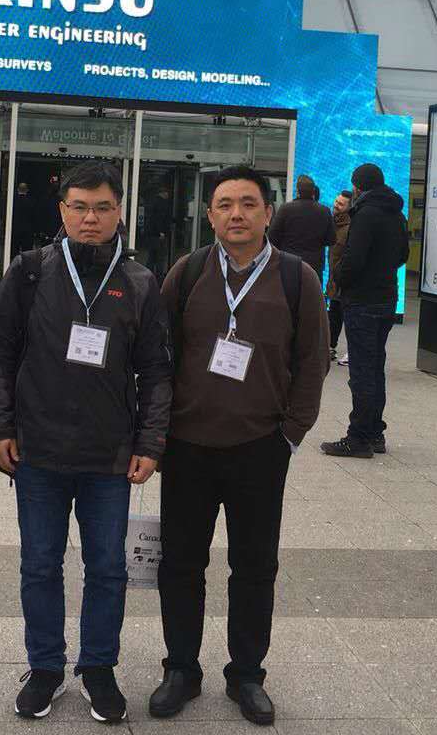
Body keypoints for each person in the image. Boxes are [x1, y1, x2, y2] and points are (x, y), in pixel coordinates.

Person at [0, 160, 172, 724]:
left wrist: (151, 441)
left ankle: (97, 668)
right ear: (62, 210)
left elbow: (157, 370)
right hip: (37, 450)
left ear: (120, 212)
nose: (91, 218)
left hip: (109, 455)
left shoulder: (139, 281)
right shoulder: (30, 271)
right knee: (40, 564)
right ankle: (44, 667)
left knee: (108, 568)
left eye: (103, 208)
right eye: (80, 207)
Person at [150, 164, 329, 726]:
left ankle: (247, 674)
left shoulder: (297, 278)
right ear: (210, 215)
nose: (236, 214)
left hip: (260, 447)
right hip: (188, 446)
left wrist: (290, 434)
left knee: (254, 567)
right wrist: (158, 431)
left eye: (248, 204)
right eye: (225, 204)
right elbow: (159, 355)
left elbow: (313, 361)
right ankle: (181, 668)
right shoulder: (187, 272)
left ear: (268, 213)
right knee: (181, 564)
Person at [319, 163, 408, 458]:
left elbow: (354, 259)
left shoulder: (365, 214)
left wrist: (339, 277)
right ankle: (375, 433)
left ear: (358, 186)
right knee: (375, 367)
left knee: (361, 371)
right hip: (386, 298)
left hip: (362, 300)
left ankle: (357, 438)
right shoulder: (397, 214)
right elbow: (403, 254)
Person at [267, 174, 334, 280]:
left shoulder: (286, 209)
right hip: (314, 266)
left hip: (289, 263)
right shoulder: (325, 211)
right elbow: (331, 240)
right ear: (313, 192)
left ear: (297, 191)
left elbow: (272, 236)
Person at [326, 190, 351, 364]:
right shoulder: (333, 224)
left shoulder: (351, 228)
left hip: (345, 281)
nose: (336, 205)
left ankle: (352, 351)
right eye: (336, 201)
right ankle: (330, 347)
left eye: (341, 204)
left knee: (348, 316)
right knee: (334, 315)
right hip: (334, 280)